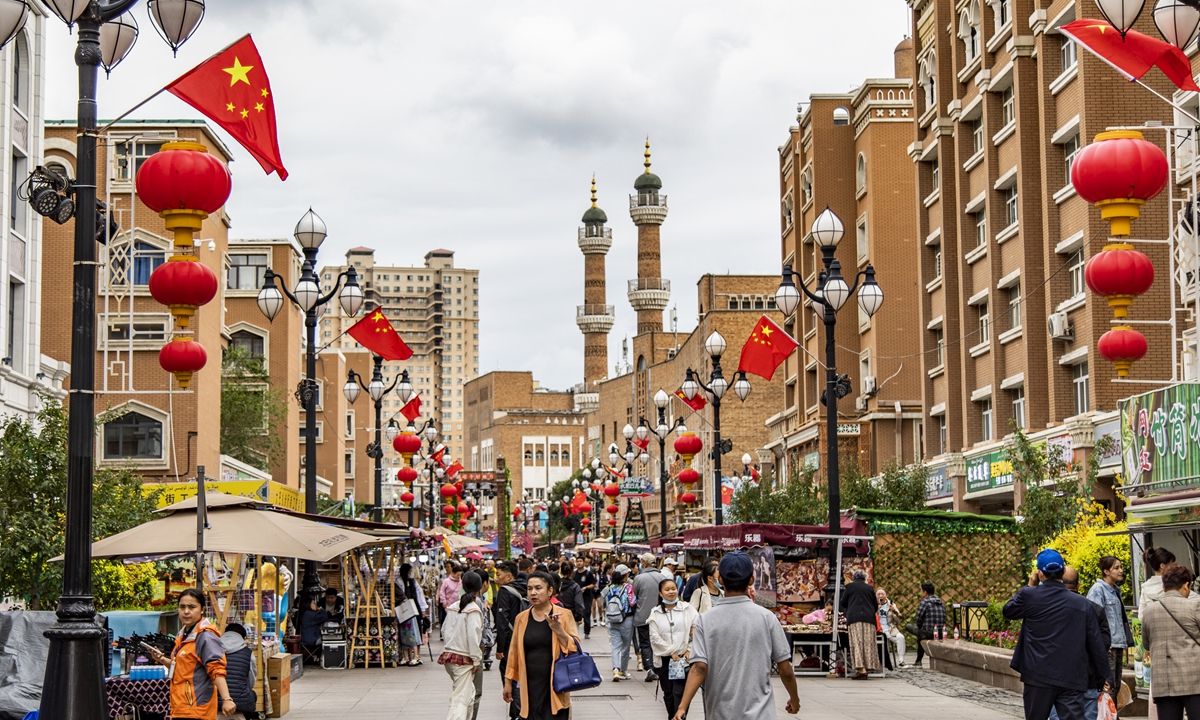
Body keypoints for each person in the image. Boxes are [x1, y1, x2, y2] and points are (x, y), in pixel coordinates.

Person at [672, 552, 800, 720]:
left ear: (721, 580)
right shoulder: (767, 617)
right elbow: (785, 669)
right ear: (751, 580)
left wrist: (682, 707)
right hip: (761, 714)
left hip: (720, 713)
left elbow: (699, 668)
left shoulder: (706, 620)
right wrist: (794, 699)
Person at [1003, 549, 1113, 720]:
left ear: (1040, 573)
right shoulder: (1082, 604)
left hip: (1037, 675)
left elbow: (1008, 611)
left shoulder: (1030, 596)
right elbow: (1096, 643)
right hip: (1071, 676)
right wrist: (1104, 677)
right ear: (1062, 572)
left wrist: (1030, 585)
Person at [146, 588, 236, 720]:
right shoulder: (183, 635)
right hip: (181, 707)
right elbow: (182, 668)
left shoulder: (205, 636)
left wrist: (227, 699)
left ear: (202, 609)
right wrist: (162, 660)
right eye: (182, 607)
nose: (186, 611)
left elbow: (216, 669)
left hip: (196, 709)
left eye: (192, 607)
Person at [503, 571, 582, 720]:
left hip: (556, 685)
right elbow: (513, 652)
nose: (533, 592)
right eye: (529, 588)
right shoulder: (521, 618)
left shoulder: (564, 615)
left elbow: (574, 648)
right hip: (529, 685)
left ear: (550, 590)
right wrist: (508, 682)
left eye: (538, 588)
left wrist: (559, 630)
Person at [1141, 563, 1200, 720]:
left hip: (1163, 682)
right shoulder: (1195, 606)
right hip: (1194, 680)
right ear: (1186, 585)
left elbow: (1146, 644)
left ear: (1164, 586)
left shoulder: (1149, 612)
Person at [1055, 567, 1112, 720]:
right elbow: (1104, 642)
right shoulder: (1094, 608)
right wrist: (1105, 675)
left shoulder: (1052, 608)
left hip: (1059, 678)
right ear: (1078, 585)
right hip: (1089, 677)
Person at [649, 577, 698, 720]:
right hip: (665, 660)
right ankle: (673, 716)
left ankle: (679, 717)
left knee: (680, 693)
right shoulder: (655, 612)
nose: (671, 592)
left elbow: (697, 631)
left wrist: (689, 649)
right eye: (667, 589)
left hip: (683, 660)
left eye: (673, 589)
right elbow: (654, 637)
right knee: (669, 694)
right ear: (660, 593)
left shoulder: (687, 609)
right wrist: (671, 651)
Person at [1086, 556, 1134, 700]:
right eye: (1116, 568)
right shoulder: (1098, 590)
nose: (1121, 570)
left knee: (1116, 686)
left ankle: (1111, 712)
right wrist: (1101, 643)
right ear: (1106, 571)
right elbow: (1092, 619)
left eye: (1121, 567)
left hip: (1117, 644)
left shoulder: (1115, 590)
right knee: (1108, 687)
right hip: (1108, 646)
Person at [442, 571, 484, 720]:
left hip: (450, 655)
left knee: (468, 694)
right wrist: (476, 659)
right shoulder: (473, 609)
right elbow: (473, 637)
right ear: (480, 587)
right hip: (463, 658)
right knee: (461, 698)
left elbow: (444, 630)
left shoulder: (454, 606)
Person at [493, 561, 529, 719]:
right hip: (526, 638)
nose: (496, 578)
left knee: (510, 675)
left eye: (499, 574)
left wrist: (500, 648)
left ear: (508, 576)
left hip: (510, 642)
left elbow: (502, 621)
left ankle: (517, 712)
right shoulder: (526, 587)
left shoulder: (505, 591)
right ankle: (523, 709)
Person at [840, 569, 878, 680]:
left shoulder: (849, 587)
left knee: (856, 643)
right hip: (869, 619)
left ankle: (861, 670)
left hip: (854, 618)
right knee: (868, 643)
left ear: (854, 577)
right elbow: (875, 605)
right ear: (864, 578)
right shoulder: (869, 588)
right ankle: (867, 666)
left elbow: (843, 602)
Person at [633, 552, 665, 682]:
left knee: (645, 643)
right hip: (660, 616)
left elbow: (634, 596)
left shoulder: (639, 578)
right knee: (658, 642)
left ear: (644, 563)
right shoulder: (662, 577)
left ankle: (649, 667)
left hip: (643, 615)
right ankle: (658, 668)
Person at [603, 564, 636, 681]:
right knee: (625, 647)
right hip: (626, 619)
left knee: (615, 646)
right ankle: (623, 671)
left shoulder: (609, 588)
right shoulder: (628, 588)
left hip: (612, 619)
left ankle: (615, 669)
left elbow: (604, 603)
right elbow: (633, 602)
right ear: (625, 575)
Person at [220, 623, 257, 719]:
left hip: (216, 701)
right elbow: (251, 680)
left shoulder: (212, 650)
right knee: (253, 695)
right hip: (241, 703)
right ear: (243, 638)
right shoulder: (248, 653)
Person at [399, 562, 430, 666]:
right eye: (410, 571)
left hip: (414, 609)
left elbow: (419, 594)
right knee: (405, 632)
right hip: (404, 610)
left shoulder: (413, 582)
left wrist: (423, 609)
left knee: (416, 631)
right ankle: (407, 656)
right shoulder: (399, 582)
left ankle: (416, 656)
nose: (411, 573)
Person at [912, 582, 945, 668]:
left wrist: (921, 627)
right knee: (921, 634)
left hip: (928, 632)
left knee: (910, 627)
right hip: (940, 632)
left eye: (921, 591)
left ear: (925, 592)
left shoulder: (925, 602)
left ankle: (918, 660)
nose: (921, 593)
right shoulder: (940, 602)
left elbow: (918, 619)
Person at [1139, 546, 1177, 618]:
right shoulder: (1175, 584)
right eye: (1172, 564)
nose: (1175, 567)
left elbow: (1141, 616)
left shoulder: (1146, 587)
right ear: (1162, 566)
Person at [876, 588, 907, 669]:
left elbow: (899, 620)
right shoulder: (873, 605)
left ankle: (901, 661)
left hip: (890, 629)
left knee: (901, 637)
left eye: (882, 594)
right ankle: (882, 662)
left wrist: (894, 610)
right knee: (882, 642)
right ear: (876, 596)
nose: (880, 596)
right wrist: (876, 609)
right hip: (879, 629)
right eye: (879, 594)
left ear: (886, 595)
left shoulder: (891, 605)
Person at [297, 591, 329, 664]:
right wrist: (321, 609)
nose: (315, 605)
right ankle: (326, 659)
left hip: (308, 638)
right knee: (329, 638)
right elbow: (324, 617)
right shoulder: (309, 614)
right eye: (313, 603)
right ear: (309, 605)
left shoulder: (306, 614)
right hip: (312, 639)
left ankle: (320, 657)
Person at [439, 562, 464, 635]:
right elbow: (442, 591)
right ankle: (445, 633)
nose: (459, 576)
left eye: (460, 575)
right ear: (453, 573)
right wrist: (443, 601)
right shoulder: (446, 581)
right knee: (447, 619)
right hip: (448, 604)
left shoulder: (461, 582)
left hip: (457, 604)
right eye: (458, 575)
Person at [576, 557, 598, 639]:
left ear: (584, 562)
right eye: (577, 561)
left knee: (586, 613)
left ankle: (587, 631)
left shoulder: (588, 573)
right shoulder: (574, 574)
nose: (579, 563)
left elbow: (593, 584)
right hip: (577, 597)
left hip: (586, 596)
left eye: (580, 561)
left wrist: (586, 587)